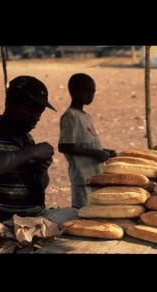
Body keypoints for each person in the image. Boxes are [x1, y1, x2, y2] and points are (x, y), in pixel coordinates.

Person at [0, 76, 56, 221]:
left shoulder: (28, 140)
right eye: (32, 109)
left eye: (40, 111)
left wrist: (41, 170)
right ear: (11, 104)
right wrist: (32, 152)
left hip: (31, 223)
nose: (37, 117)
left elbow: (40, 188)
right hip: (2, 225)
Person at [58, 73, 116, 209]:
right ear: (75, 91)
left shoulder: (86, 116)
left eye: (93, 91)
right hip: (82, 177)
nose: (92, 94)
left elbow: (87, 143)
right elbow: (65, 146)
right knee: (83, 212)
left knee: (96, 210)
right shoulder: (70, 116)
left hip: (95, 176)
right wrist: (95, 153)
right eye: (88, 90)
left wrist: (104, 151)